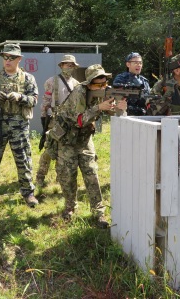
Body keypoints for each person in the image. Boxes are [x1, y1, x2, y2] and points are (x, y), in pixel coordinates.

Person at [54, 64, 127, 228]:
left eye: (104, 83)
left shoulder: (103, 92)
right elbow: (79, 120)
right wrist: (98, 107)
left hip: (85, 139)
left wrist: (120, 109)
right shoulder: (78, 93)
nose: (103, 87)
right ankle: (70, 207)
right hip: (67, 139)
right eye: (98, 84)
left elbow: (111, 112)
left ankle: (99, 213)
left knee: (92, 174)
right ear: (89, 84)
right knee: (67, 176)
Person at [0, 43, 39, 207]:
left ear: (19, 59)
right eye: (5, 57)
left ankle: (28, 193)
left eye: (12, 57)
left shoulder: (28, 78)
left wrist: (20, 97)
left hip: (19, 125)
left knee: (24, 160)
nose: (8, 60)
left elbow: (34, 100)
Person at [36, 54, 80, 187]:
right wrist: (44, 119)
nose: (69, 67)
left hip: (70, 123)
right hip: (55, 120)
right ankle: (40, 177)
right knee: (49, 150)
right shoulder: (52, 81)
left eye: (72, 65)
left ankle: (60, 176)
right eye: (67, 64)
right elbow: (46, 101)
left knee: (65, 151)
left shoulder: (77, 84)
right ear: (61, 66)